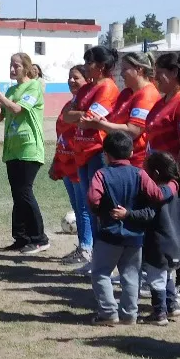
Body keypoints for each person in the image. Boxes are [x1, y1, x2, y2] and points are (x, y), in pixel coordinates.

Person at [86, 131, 173, 325]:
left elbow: (93, 198)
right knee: (131, 276)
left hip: (109, 234)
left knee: (101, 273)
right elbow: (157, 195)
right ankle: (129, 314)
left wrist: (100, 211)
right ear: (132, 152)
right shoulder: (139, 173)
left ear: (106, 154)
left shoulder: (102, 174)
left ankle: (108, 312)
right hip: (135, 235)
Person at [110, 150, 180, 326]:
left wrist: (127, 214)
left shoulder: (156, 194)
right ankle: (173, 306)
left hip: (159, 244)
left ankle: (159, 313)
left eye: (145, 170)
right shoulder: (179, 191)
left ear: (156, 174)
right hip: (177, 244)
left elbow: (147, 214)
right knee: (166, 275)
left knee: (156, 279)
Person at [144, 53, 180, 303]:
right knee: (159, 227)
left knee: (178, 228)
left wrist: (176, 177)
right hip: (155, 177)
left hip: (173, 178)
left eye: (160, 72)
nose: (156, 76)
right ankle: (159, 276)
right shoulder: (163, 99)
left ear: (174, 73)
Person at [0, 52, 49, 254]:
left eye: (17, 66)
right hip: (12, 148)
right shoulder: (11, 89)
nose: (12, 69)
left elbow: (18, 109)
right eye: (11, 65)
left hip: (29, 147)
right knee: (17, 194)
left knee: (24, 192)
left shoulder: (34, 86)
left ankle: (39, 238)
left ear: (27, 68)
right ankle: (21, 238)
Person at [60, 45, 120, 227]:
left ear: (101, 66)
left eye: (89, 62)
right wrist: (81, 115)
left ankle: (101, 248)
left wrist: (80, 114)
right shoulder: (87, 89)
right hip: (81, 151)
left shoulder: (108, 87)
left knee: (99, 202)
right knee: (88, 203)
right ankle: (92, 250)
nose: (85, 66)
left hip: (97, 150)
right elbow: (67, 117)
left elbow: (89, 119)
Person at [79, 52, 161, 167]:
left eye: (125, 69)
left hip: (136, 162)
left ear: (139, 69)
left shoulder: (147, 95)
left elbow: (132, 132)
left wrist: (101, 125)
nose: (121, 74)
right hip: (118, 159)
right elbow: (116, 123)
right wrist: (104, 122)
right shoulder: (126, 93)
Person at [51, 65, 92, 266]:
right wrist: (56, 161)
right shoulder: (68, 105)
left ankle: (87, 248)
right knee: (77, 207)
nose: (71, 81)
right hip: (66, 165)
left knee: (84, 208)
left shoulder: (87, 106)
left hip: (80, 164)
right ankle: (83, 247)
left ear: (88, 81)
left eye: (76, 78)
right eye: (69, 77)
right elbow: (60, 136)